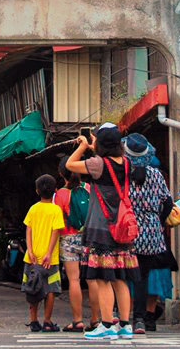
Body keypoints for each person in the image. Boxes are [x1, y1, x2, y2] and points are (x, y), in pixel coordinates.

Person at [65, 126, 140, 341]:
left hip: (101, 228)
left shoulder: (99, 164)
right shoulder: (126, 163)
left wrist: (81, 147)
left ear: (101, 143)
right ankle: (125, 326)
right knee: (120, 279)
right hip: (122, 227)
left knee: (103, 279)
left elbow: (70, 165)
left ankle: (107, 324)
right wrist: (92, 147)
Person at [124, 134, 174, 334]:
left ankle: (123, 316)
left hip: (128, 229)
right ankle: (141, 320)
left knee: (124, 275)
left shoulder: (124, 174)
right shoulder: (156, 174)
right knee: (143, 276)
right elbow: (168, 202)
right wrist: (158, 221)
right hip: (151, 231)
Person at [53, 158, 99, 333]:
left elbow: (57, 222)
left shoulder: (60, 195)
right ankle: (95, 320)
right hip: (90, 237)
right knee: (92, 279)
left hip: (68, 237)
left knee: (74, 280)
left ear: (60, 174)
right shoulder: (89, 189)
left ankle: (77, 320)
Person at [20, 174, 64, 333]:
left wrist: (30, 251)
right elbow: (55, 232)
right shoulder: (56, 210)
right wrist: (49, 253)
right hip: (49, 259)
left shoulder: (33, 208)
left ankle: (33, 321)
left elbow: (28, 231)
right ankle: (47, 321)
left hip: (32, 258)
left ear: (37, 190)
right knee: (50, 289)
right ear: (55, 191)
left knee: (33, 288)